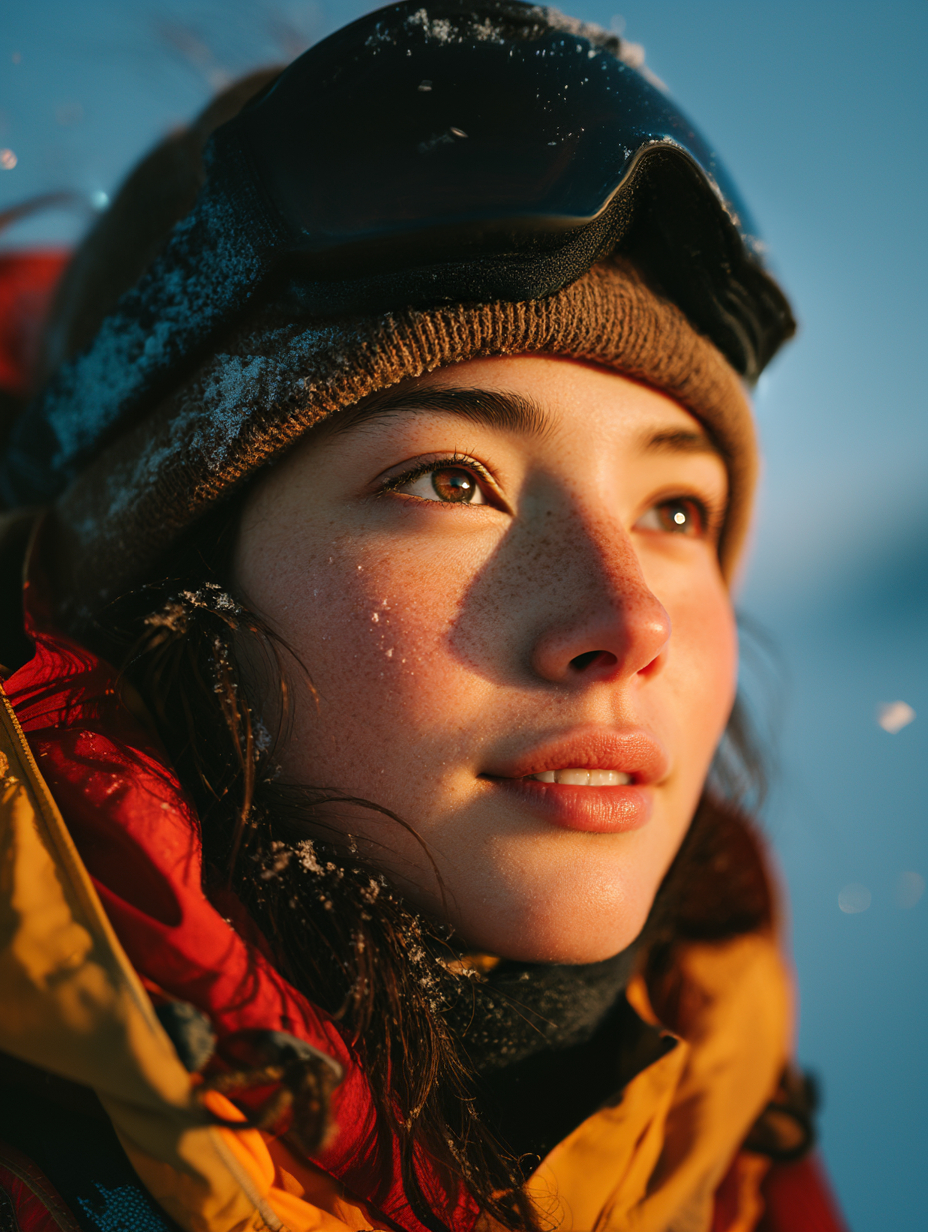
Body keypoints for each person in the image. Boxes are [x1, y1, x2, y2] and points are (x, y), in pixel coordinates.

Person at [0, 2, 849, 1229]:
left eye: (674, 508)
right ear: (163, 587)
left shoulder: (725, 1129)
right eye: (451, 481)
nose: (627, 620)